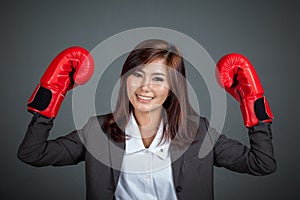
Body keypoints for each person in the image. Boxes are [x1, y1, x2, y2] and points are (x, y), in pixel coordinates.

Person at [18, 39, 276, 200]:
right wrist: (50, 96)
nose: (145, 87)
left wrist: (252, 102)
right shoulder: (97, 131)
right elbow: (32, 153)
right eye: (137, 75)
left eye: (158, 78)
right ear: (125, 79)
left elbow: (262, 164)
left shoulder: (200, 133)